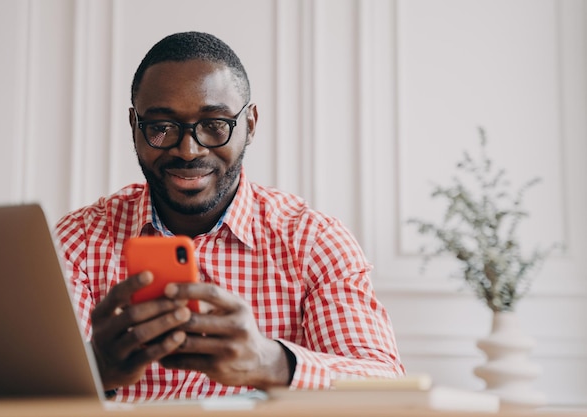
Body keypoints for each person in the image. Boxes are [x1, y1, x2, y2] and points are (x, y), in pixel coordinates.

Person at [55, 31, 405, 402]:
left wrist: (271, 362)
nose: (189, 150)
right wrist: (95, 367)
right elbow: (20, 390)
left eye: (214, 125)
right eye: (161, 127)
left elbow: (385, 386)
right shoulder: (78, 240)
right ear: (134, 126)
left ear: (250, 124)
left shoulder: (314, 241)